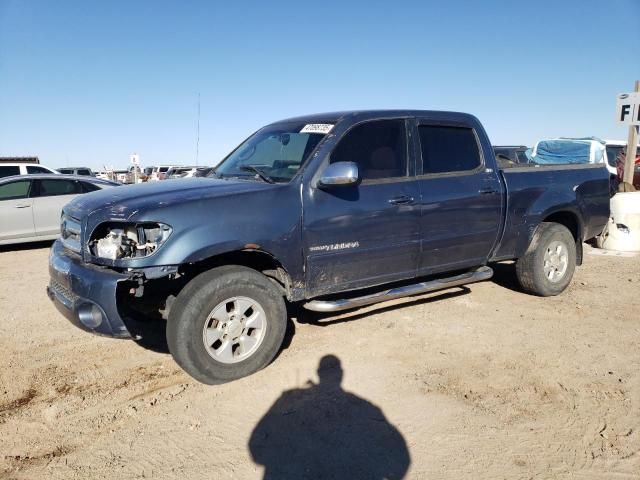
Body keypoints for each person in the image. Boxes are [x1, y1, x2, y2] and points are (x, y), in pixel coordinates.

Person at [249, 355, 411, 479]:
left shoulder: (287, 398)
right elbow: (401, 460)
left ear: (318, 373)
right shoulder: (367, 406)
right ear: (341, 374)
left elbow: (255, 447)